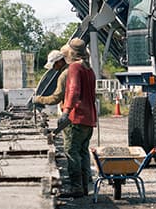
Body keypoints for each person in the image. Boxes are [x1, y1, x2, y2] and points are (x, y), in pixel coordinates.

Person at [60, 38, 97, 198]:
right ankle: (85, 186)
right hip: (89, 118)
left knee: (71, 151)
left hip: (77, 118)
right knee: (82, 152)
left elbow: (74, 91)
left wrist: (66, 112)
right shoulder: (89, 69)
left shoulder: (75, 67)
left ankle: (76, 187)